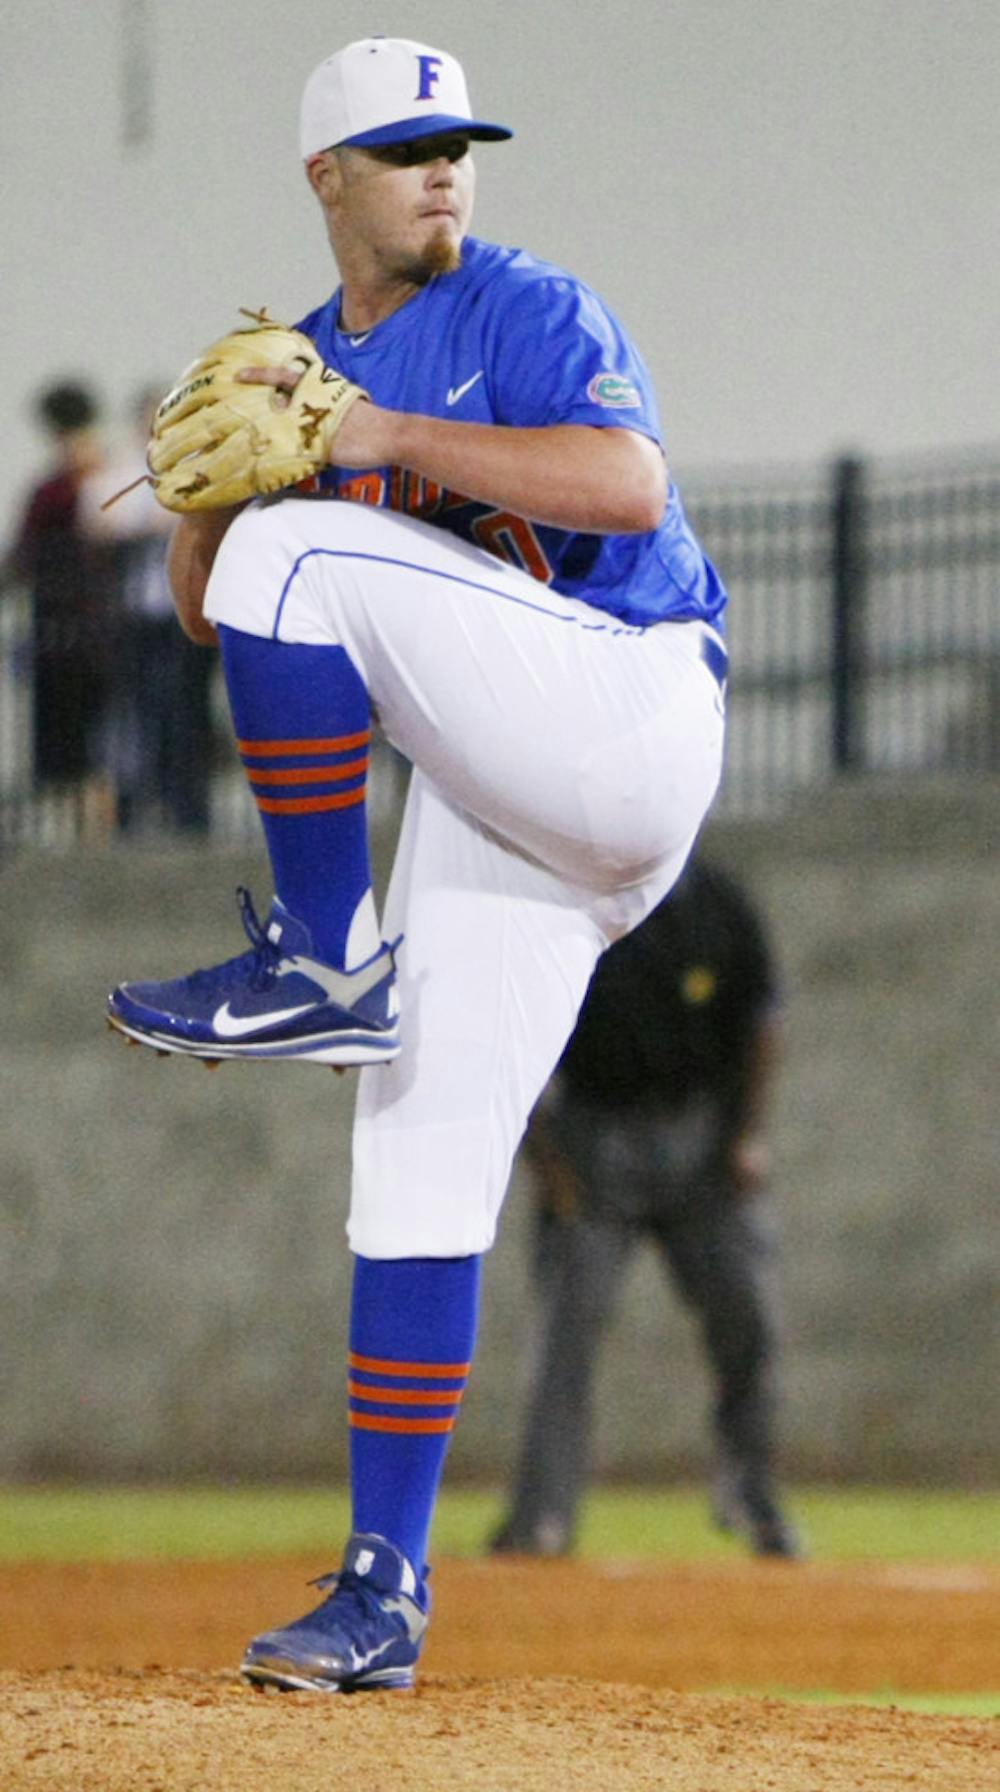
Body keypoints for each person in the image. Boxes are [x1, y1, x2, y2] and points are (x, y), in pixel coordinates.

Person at [106, 36, 729, 1693]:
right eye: (405, 147)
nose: (444, 167)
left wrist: (361, 433)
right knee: (413, 1165)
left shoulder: (527, 305)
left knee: (311, 543)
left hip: (629, 708)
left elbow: (628, 480)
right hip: (505, 803)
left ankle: (322, 950)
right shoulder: (295, 359)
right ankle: (382, 1588)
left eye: (459, 142)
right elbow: (212, 608)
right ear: (328, 179)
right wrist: (193, 499)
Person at [489, 857, 802, 1562]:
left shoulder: (717, 901)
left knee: (747, 1319)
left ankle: (753, 1501)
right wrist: (547, 1164)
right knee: (564, 1337)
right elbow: (517, 1040)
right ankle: (543, 1520)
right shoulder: (575, 903)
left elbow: (763, 1018)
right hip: (594, 1144)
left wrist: (749, 1136)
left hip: (702, 1146)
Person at [80, 390, 215, 834]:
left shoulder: (198, 465)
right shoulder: (124, 470)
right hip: (137, 614)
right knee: (137, 713)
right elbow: (99, 518)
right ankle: (133, 810)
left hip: (183, 616)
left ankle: (188, 808)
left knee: (186, 711)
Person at [5, 381, 111, 832]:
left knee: (80, 734)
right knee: (73, 735)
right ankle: (83, 822)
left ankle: (89, 825)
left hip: (73, 622)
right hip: (73, 621)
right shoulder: (87, 473)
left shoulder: (71, 480)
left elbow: (29, 550)